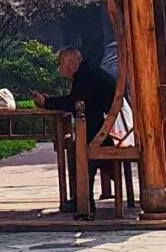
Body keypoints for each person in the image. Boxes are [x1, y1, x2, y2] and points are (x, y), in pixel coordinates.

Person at [33, 46, 117, 215]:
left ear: (71, 63)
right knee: (78, 146)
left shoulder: (85, 75)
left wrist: (46, 102)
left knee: (79, 150)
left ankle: (83, 201)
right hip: (109, 129)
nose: (59, 69)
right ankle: (81, 198)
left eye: (61, 63)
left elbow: (75, 103)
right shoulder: (89, 72)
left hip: (109, 133)